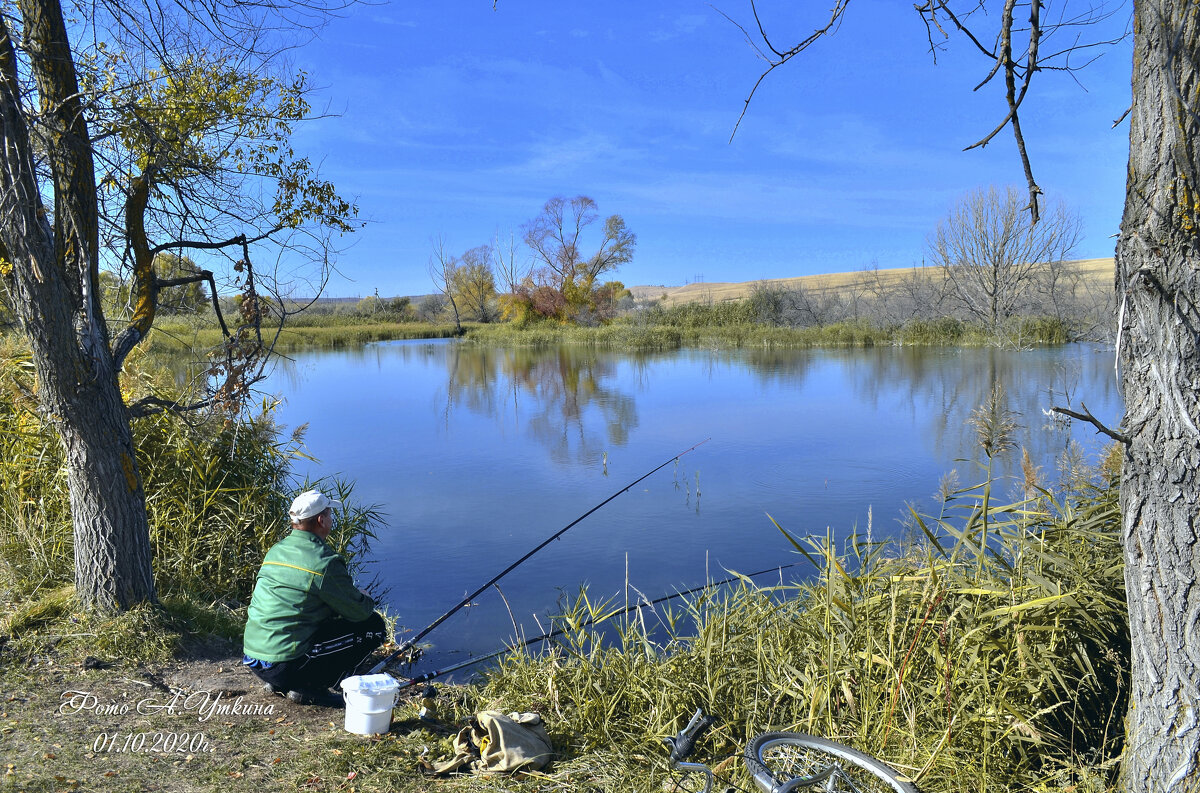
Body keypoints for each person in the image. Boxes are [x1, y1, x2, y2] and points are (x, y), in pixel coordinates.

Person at [242, 489, 387, 707]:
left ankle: (280, 683)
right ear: (321, 520)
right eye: (330, 514)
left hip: (254, 658)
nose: (331, 519)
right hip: (284, 665)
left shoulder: (276, 550)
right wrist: (364, 598)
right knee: (373, 626)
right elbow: (358, 612)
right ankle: (313, 688)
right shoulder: (324, 562)